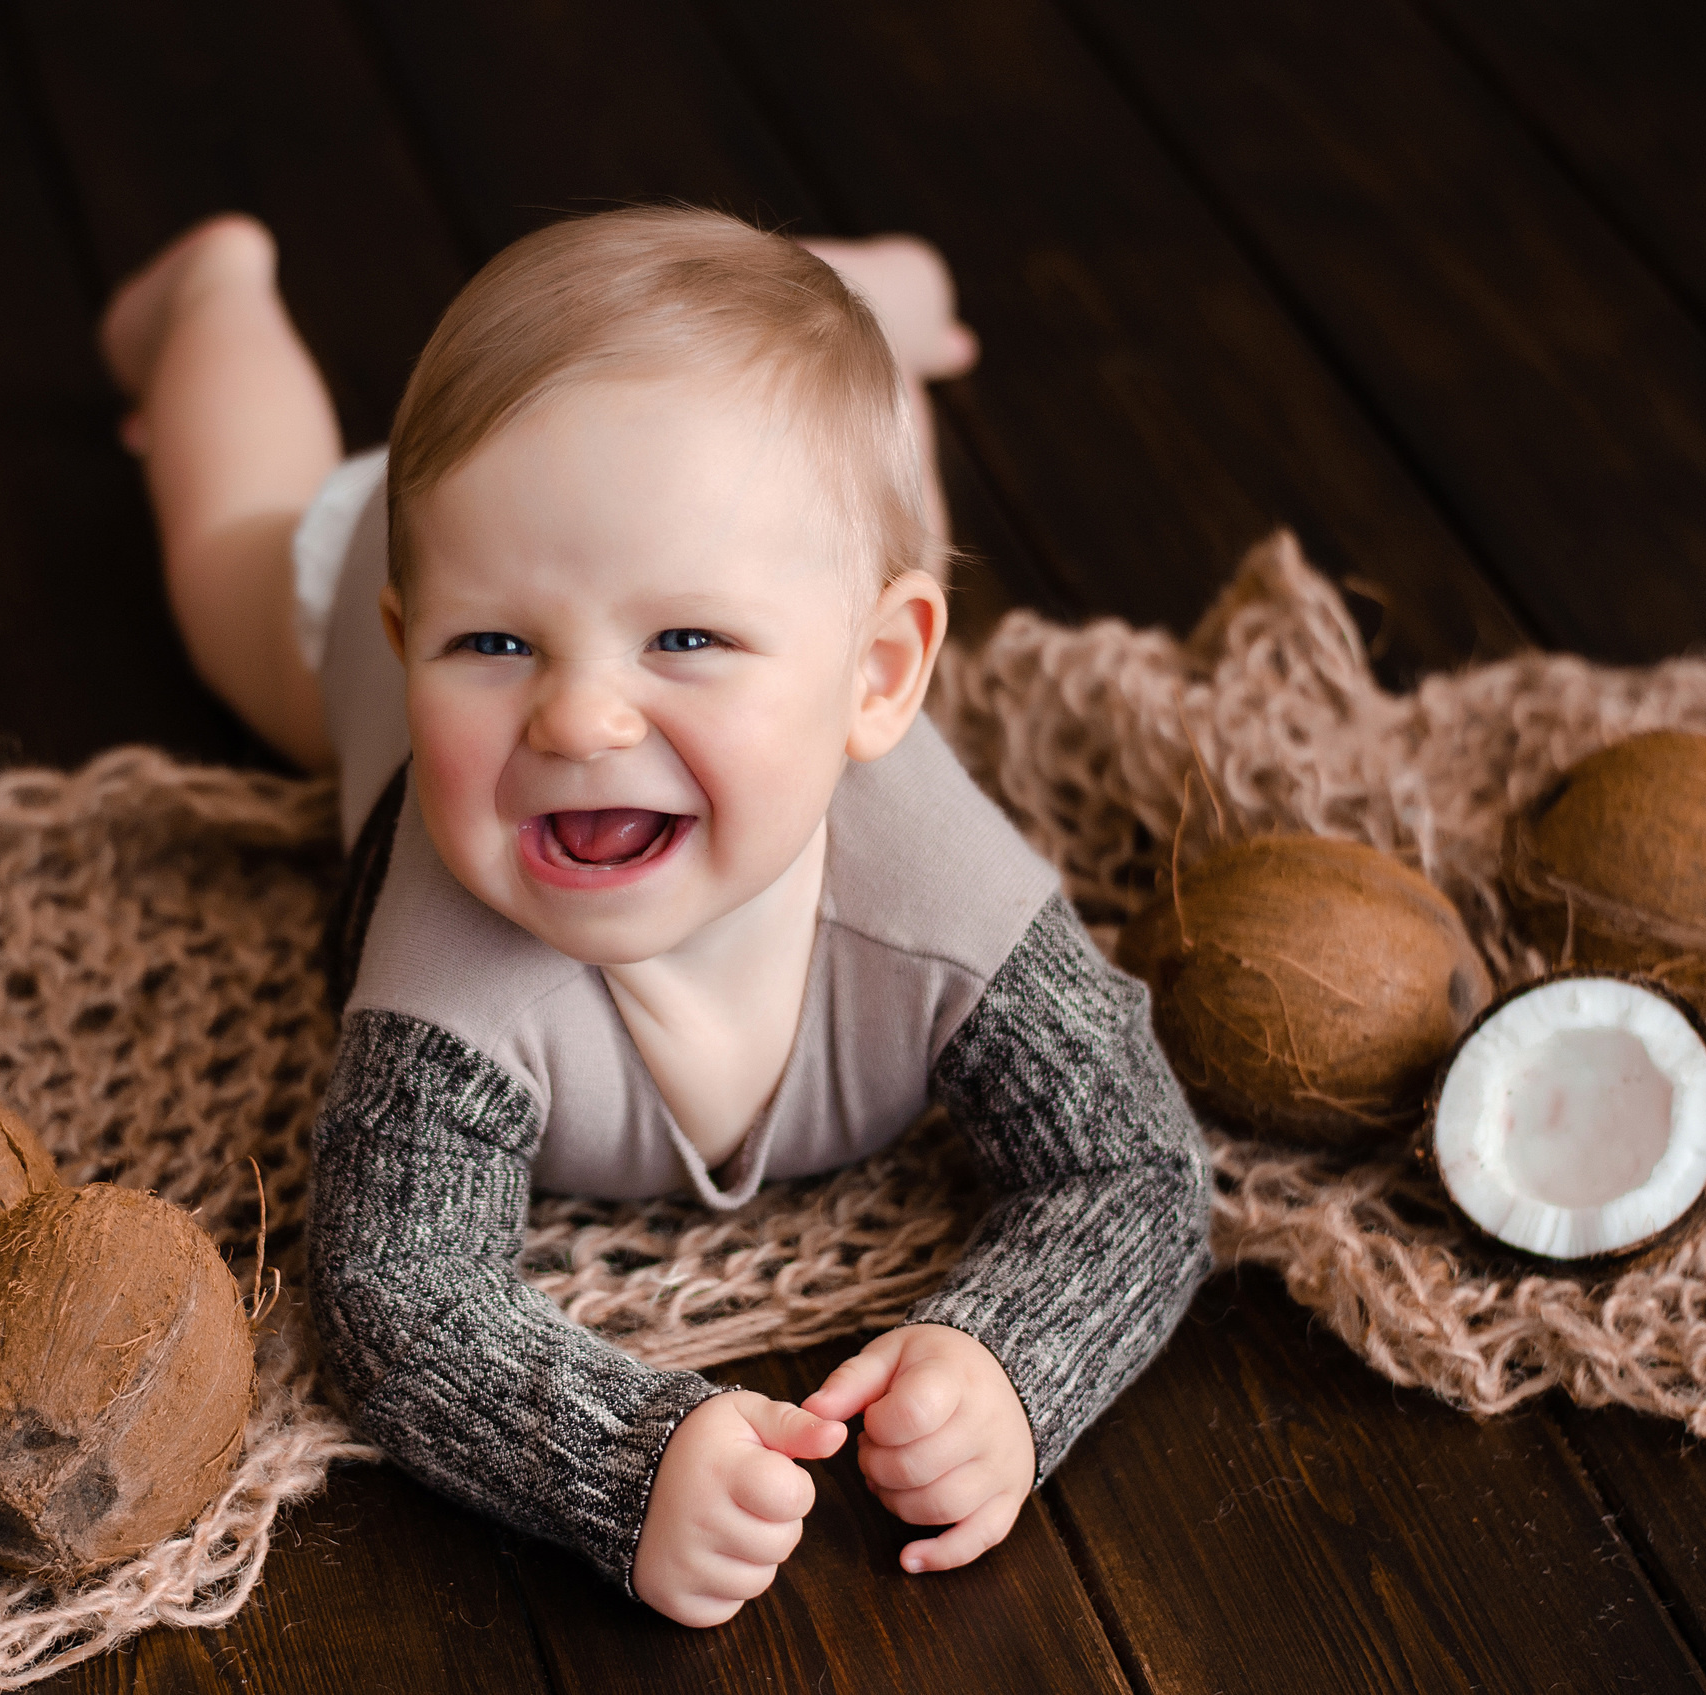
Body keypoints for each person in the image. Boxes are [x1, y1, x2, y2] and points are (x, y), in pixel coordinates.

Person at [100, 206, 1210, 1628]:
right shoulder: (453, 994)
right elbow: (393, 1292)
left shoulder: (953, 921)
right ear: (411, 643)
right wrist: (624, 1462)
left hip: (760, 582)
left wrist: (1012, 1361)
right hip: (432, 536)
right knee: (236, 565)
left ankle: (857, 308)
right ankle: (215, 293)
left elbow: (1134, 1164)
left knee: (872, 509)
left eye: (685, 639)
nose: (577, 717)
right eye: (492, 646)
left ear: (878, 680)